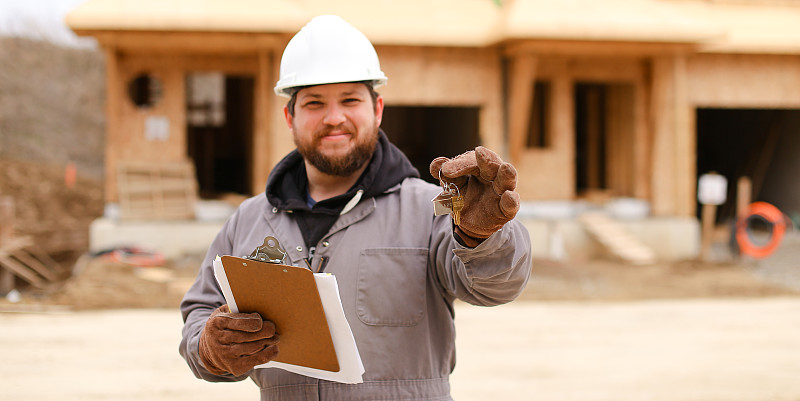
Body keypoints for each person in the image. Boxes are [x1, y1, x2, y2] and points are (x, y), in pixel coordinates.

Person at [179, 14, 532, 401]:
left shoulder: (429, 210)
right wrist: (212, 349)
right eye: (314, 103)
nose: (334, 118)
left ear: (377, 109)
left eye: (350, 100)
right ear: (289, 117)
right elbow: (199, 319)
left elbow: (495, 287)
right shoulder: (249, 220)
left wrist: (482, 236)